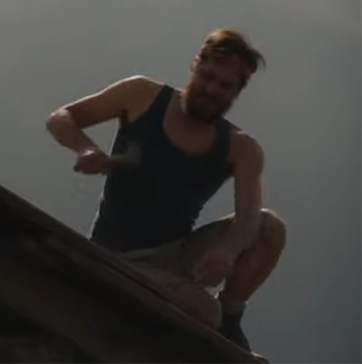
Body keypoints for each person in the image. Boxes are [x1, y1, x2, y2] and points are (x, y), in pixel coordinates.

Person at [46, 30, 285, 354]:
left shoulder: (241, 149)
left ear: (236, 92)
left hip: (176, 256)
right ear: (195, 66)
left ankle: (230, 322)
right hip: (117, 257)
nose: (212, 90)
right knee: (204, 311)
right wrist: (85, 149)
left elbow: (248, 222)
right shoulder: (142, 95)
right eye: (208, 76)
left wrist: (226, 252)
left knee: (270, 229)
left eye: (225, 85)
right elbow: (63, 118)